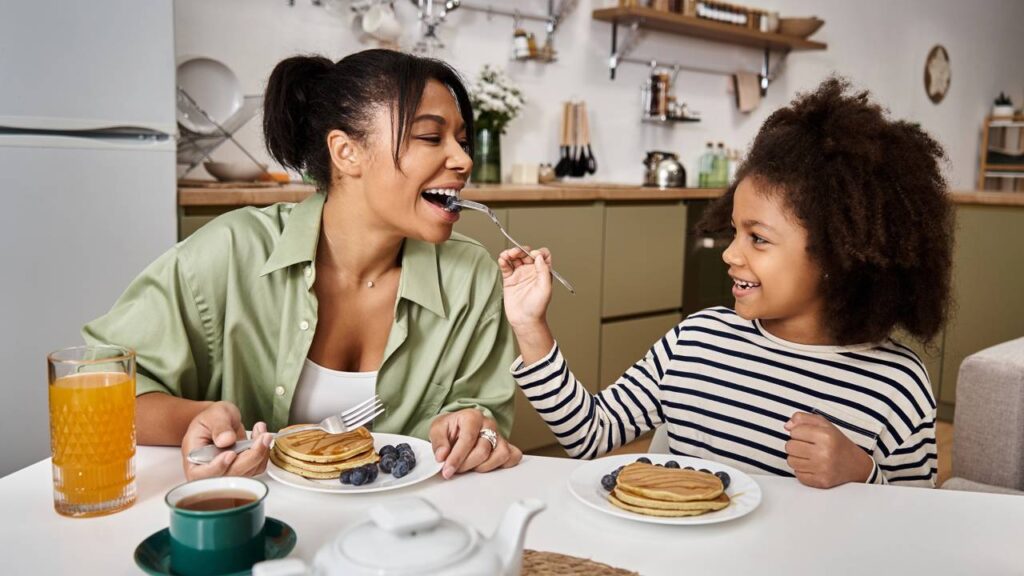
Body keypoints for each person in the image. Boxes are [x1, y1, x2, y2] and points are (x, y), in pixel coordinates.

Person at [84, 49, 522, 480]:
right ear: (346, 152)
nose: (464, 161)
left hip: (405, 534)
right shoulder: (233, 252)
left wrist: (473, 432)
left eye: (462, 142)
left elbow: (482, 414)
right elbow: (94, 388)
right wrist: (195, 419)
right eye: (431, 137)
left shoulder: (472, 277)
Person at [499, 78, 951, 489]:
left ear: (838, 253)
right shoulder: (696, 340)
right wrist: (530, 326)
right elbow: (589, 434)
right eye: (733, 231)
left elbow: (916, 524)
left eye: (758, 238)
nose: (730, 254)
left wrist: (862, 476)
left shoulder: (896, 383)